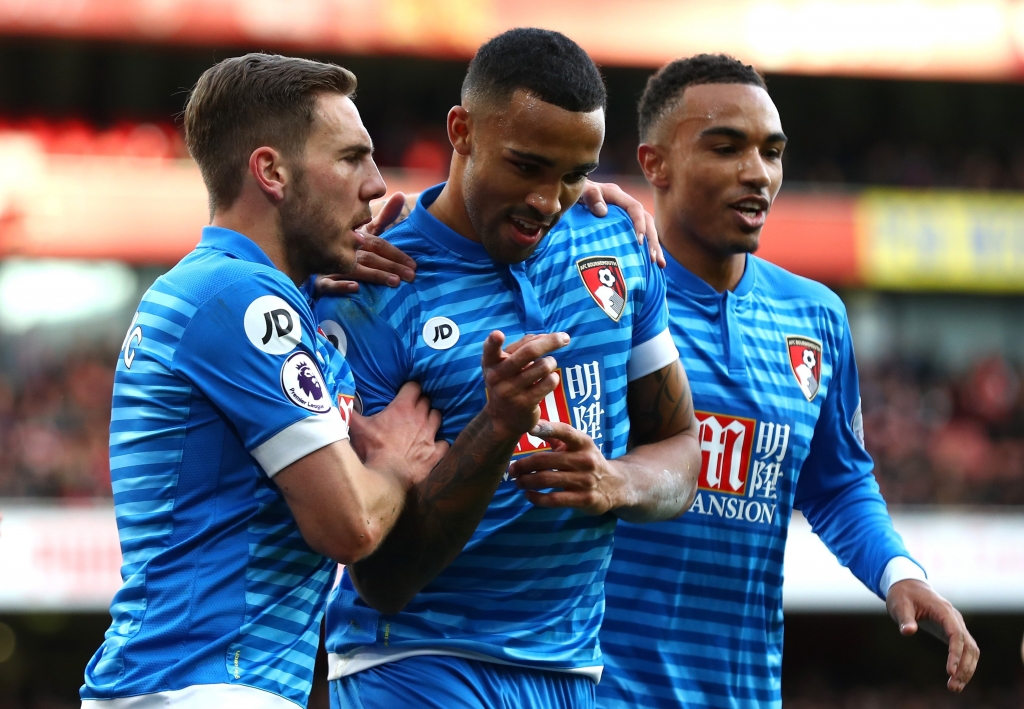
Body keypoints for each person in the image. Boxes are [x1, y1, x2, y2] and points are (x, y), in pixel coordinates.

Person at [314, 28, 702, 709]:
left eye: (574, 173)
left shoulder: (619, 243)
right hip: (415, 659)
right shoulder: (371, 290)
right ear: (461, 131)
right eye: (527, 166)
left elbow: (681, 450)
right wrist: (497, 425)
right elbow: (383, 575)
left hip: (571, 668)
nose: (549, 200)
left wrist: (619, 480)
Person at [596, 54, 980, 709]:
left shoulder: (816, 316)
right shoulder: (600, 294)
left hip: (745, 691)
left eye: (772, 152)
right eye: (725, 147)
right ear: (654, 162)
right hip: (603, 689)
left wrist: (898, 574)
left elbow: (838, 480)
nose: (758, 172)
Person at [79, 54, 450, 708]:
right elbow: (351, 525)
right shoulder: (244, 300)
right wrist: (396, 464)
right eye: (350, 158)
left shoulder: (237, 292)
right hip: (201, 688)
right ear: (271, 171)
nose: (375, 184)